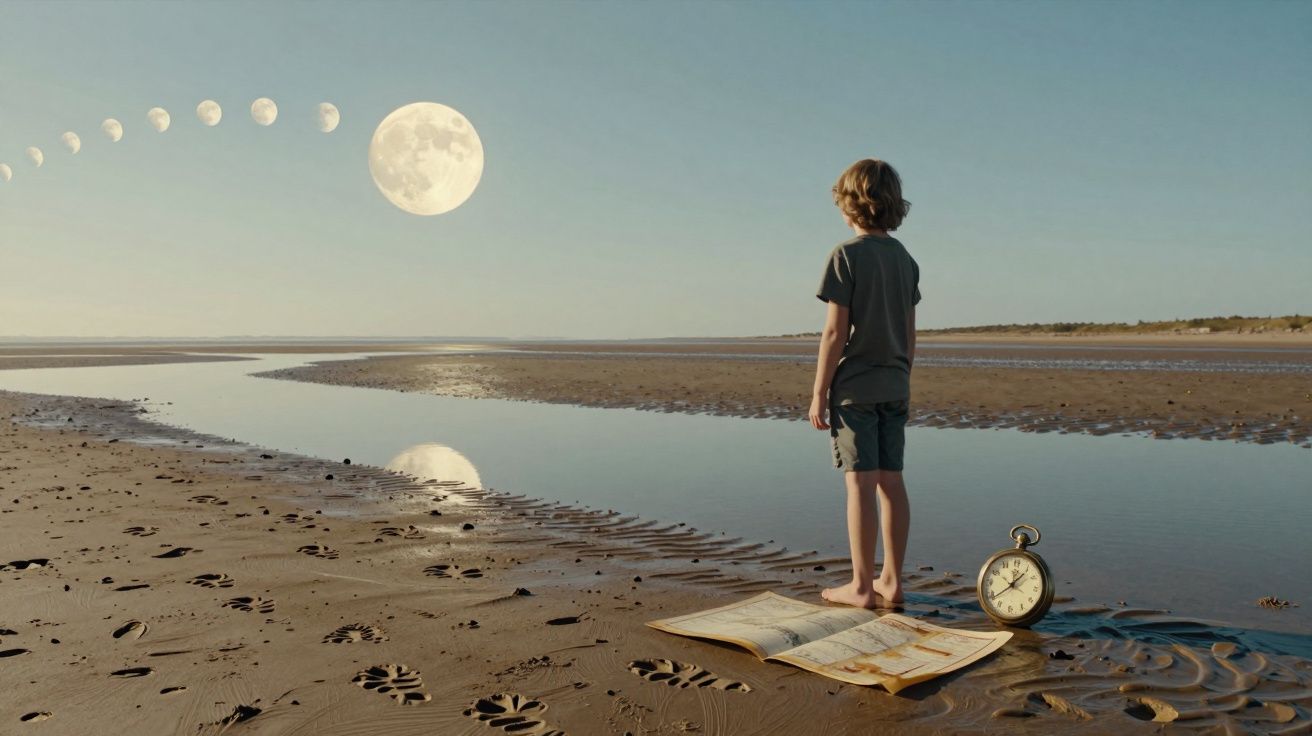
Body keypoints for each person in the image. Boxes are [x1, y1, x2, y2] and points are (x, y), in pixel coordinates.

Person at [808, 159, 920, 609]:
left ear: (851, 205)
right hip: (896, 383)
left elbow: (836, 332)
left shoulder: (846, 256)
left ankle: (860, 586)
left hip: (855, 387)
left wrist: (819, 391)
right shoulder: (905, 259)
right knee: (891, 481)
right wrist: (901, 376)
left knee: (860, 483)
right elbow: (910, 335)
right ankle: (891, 581)